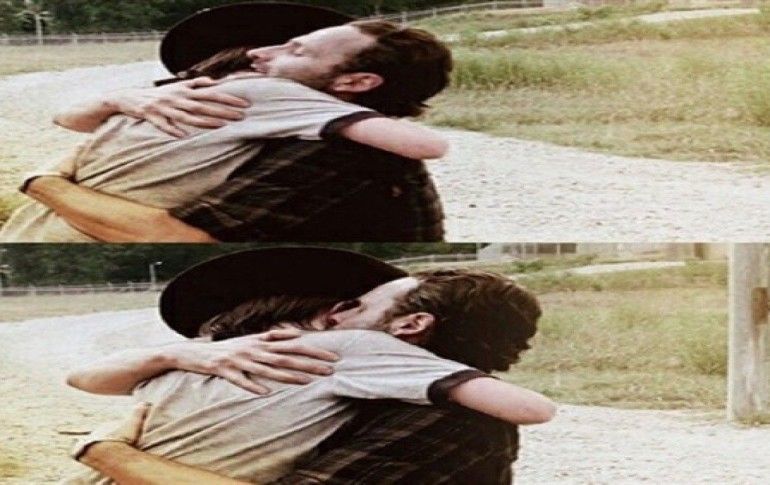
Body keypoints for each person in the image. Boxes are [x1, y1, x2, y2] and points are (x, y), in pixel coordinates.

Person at [66, 248, 554, 484]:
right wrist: (173, 354)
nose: (341, 316)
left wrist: (108, 451)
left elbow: (529, 407)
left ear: (411, 325)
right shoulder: (218, 358)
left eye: (355, 305)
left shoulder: (432, 410)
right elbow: (85, 377)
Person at [18, 4, 452, 242]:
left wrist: (44, 182)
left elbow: (177, 236)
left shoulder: (337, 146)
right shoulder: (231, 88)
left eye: (294, 50)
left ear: (355, 81)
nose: (256, 55)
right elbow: (69, 119)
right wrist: (118, 99)